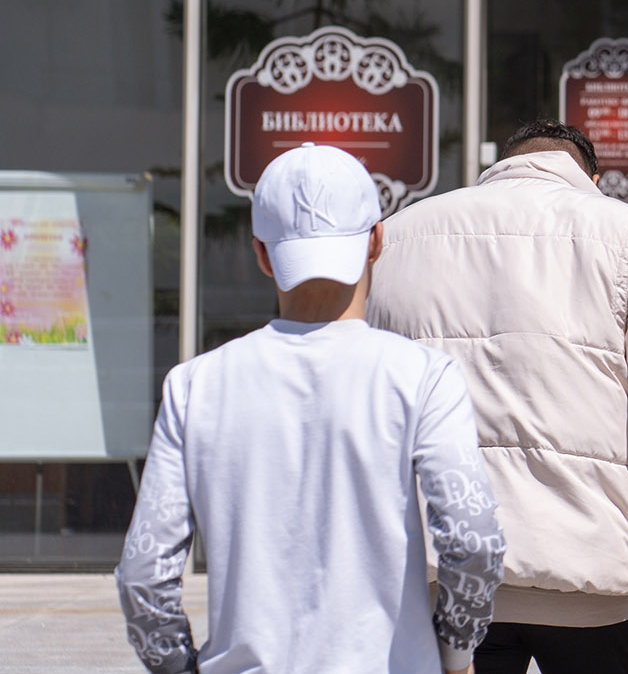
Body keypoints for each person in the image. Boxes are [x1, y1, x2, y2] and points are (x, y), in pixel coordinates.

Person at [115, 142, 505, 674]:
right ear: (375, 241)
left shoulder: (195, 385)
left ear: (260, 252)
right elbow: (473, 541)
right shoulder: (423, 377)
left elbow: (143, 574)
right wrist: (453, 656)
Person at [367, 120, 628, 674]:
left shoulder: (397, 239)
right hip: (596, 577)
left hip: (441, 576)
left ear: (498, 169)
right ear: (590, 176)